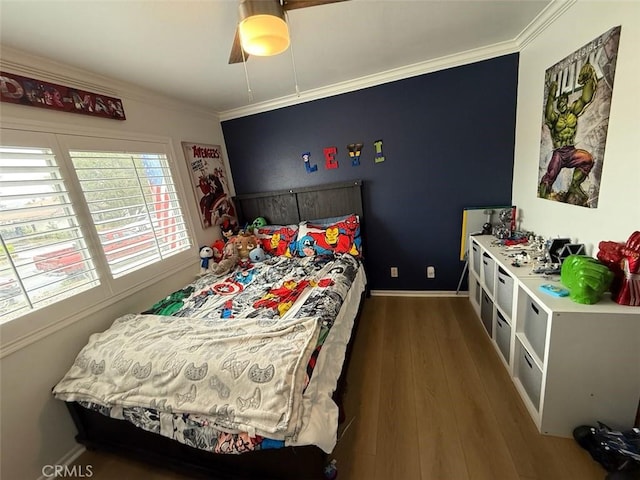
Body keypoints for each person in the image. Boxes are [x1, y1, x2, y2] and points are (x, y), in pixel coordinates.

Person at [538, 62, 597, 206]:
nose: (563, 103)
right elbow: (547, 113)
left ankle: (574, 185)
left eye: (565, 101)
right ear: (558, 105)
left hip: (571, 151)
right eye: (560, 102)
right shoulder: (554, 118)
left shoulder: (573, 113)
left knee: (587, 159)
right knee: (549, 178)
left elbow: (585, 99)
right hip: (559, 153)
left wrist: (589, 79)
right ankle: (543, 201)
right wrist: (551, 94)